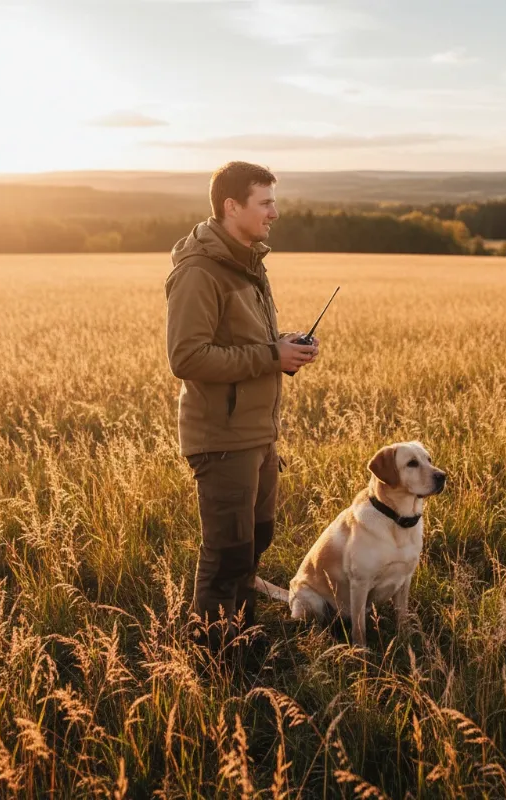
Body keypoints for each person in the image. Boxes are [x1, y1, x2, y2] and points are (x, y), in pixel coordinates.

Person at [165, 161, 318, 650]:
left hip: (258, 433)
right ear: (231, 207)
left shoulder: (248, 264)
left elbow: (244, 344)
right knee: (226, 556)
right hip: (223, 436)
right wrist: (271, 355)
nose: (275, 212)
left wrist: (282, 348)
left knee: (255, 543)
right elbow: (186, 357)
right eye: (265, 202)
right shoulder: (198, 272)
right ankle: (212, 660)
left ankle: (243, 637)